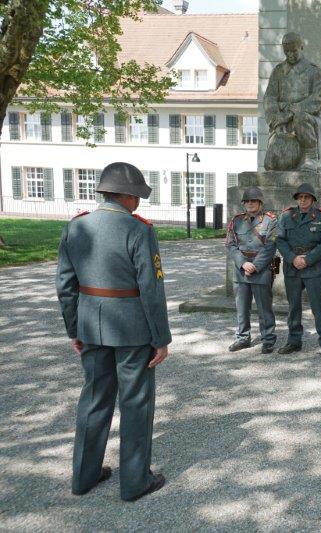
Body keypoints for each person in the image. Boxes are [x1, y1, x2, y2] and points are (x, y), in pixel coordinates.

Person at [56, 162, 170, 501]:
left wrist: (74, 328)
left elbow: (65, 285)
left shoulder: (76, 227)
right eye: (138, 197)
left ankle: (84, 476)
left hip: (91, 325)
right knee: (135, 403)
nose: (139, 203)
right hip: (133, 329)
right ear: (130, 197)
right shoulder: (139, 230)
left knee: (93, 400)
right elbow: (152, 288)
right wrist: (161, 338)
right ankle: (135, 482)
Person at [276, 183, 321, 358]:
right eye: (300, 197)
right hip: (292, 266)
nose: (302, 200)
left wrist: (307, 260)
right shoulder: (286, 216)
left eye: (306, 197)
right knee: (294, 306)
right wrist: (293, 258)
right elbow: (280, 240)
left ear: (312, 199)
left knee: (318, 306)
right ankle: (294, 341)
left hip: (313, 266)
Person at [226, 186, 278, 354]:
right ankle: (243, 338)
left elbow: (271, 246)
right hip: (241, 269)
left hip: (261, 269)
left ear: (260, 203)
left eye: (253, 201)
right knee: (242, 308)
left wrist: (255, 265)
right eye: (247, 201)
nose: (250, 203)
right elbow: (231, 244)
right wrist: (243, 263)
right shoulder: (236, 220)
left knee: (264, 308)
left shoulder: (270, 221)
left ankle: (268, 339)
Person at [264, 32, 321, 172]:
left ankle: (311, 156)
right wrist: (276, 121)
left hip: (306, 120)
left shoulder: (313, 71)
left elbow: (319, 98)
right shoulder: (278, 72)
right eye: (287, 52)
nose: (290, 55)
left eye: (294, 51)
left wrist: (293, 110)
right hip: (282, 122)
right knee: (272, 165)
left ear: (301, 47)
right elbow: (269, 98)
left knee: (300, 117)